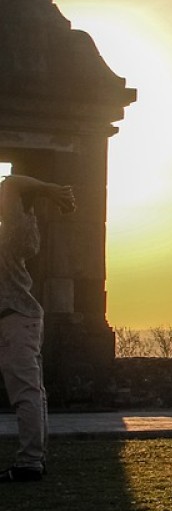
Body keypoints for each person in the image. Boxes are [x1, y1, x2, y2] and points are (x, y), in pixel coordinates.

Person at [0, 174, 75, 482]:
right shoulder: (19, 232)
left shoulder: (15, 232)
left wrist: (48, 188)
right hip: (19, 319)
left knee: (26, 392)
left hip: (17, 318)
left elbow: (10, 184)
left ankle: (31, 461)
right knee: (33, 391)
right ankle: (33, 458)